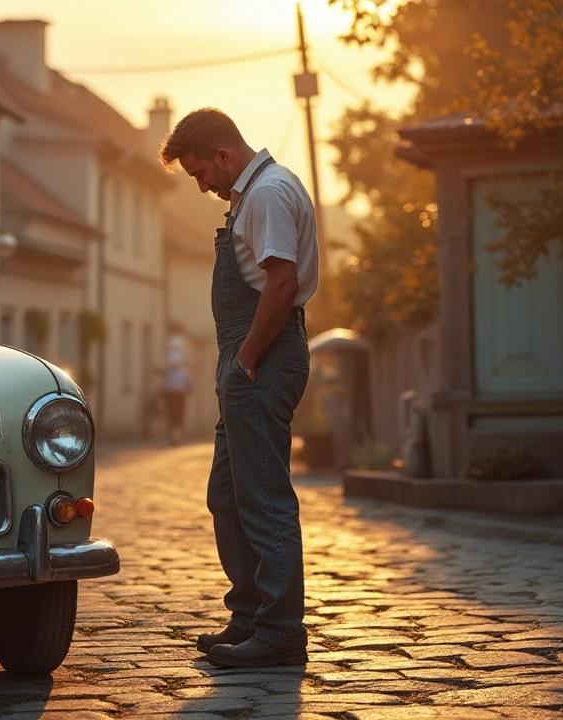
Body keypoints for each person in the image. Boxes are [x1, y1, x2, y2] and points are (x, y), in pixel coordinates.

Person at [158, 108, 318, 668]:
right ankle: (250, 616)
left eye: (202, 174)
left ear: (224, 155)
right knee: (227, 495)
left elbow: (282, 283)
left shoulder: (269, 193)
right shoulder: (251, 196)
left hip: (262, 357)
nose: (203, 187)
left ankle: (278, 631)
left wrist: (245, 359)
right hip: (250, 358)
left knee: (263, 497)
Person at [160, 351, 193, 446]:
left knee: (176, 418)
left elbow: (189, 386)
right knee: (173, 418)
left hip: (177, 397)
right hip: (172, 397)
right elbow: (190, 386)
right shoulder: (172, 373)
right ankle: (173, 437)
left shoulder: (181, 373)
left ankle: (176, 437)